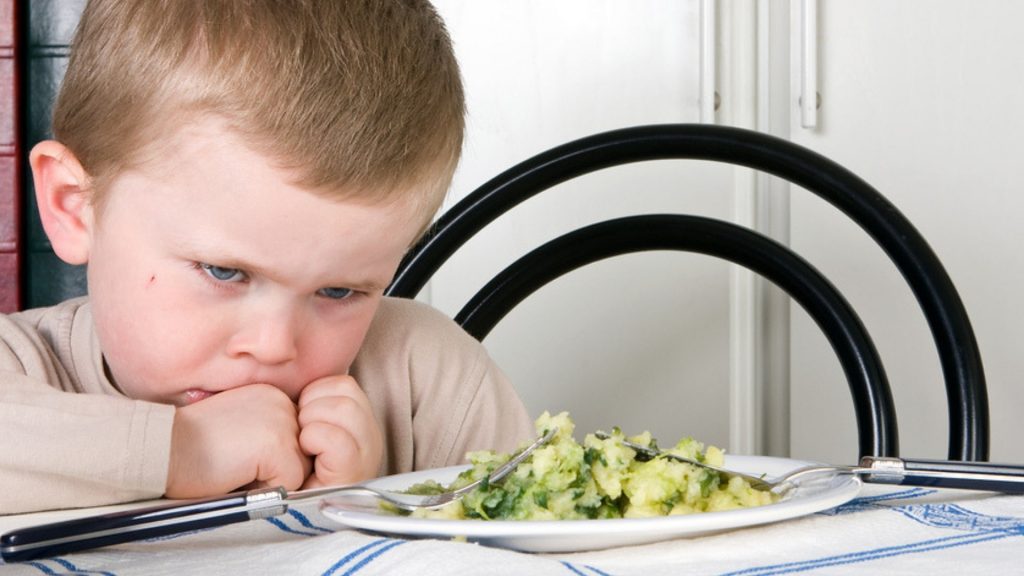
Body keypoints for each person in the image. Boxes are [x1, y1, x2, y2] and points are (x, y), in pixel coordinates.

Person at [0, 0, 533, 515]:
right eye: (224, 271)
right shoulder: (22, 367)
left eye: (339, 291)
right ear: (74, 207)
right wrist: (185, 450)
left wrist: (379, 512)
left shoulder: (432, 386)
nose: (274, 346)